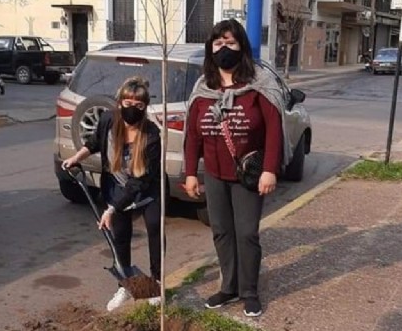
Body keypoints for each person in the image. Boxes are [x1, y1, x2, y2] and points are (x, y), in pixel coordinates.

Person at [183, 19, 291, 318]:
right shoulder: (203, 88)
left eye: (230, 43)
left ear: (241, 46)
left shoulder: (258, 85)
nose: (224, 49)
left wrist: (270, 169)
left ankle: (250, 291)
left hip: (249, 175)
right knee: (221, 231)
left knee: (246, 233)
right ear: (210, 49)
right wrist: (191, 172)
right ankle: (228, 287)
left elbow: (273, 131)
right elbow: (193, 136)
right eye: (218, 44)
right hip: (214, 174)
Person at [62, 77, 162, 312]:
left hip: (145, 189)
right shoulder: (108, 121)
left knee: (155, 228)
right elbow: (94, 143)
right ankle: (125, 284)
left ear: (145, 108)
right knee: (120, 237)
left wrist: (111, 209)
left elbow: (139, 182)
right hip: (115, 186)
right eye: (127, 102)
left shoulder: (151, 136)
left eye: (139, 106)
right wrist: (76, 158)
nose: (132, 109)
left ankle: (156, 281)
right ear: (119, 103)